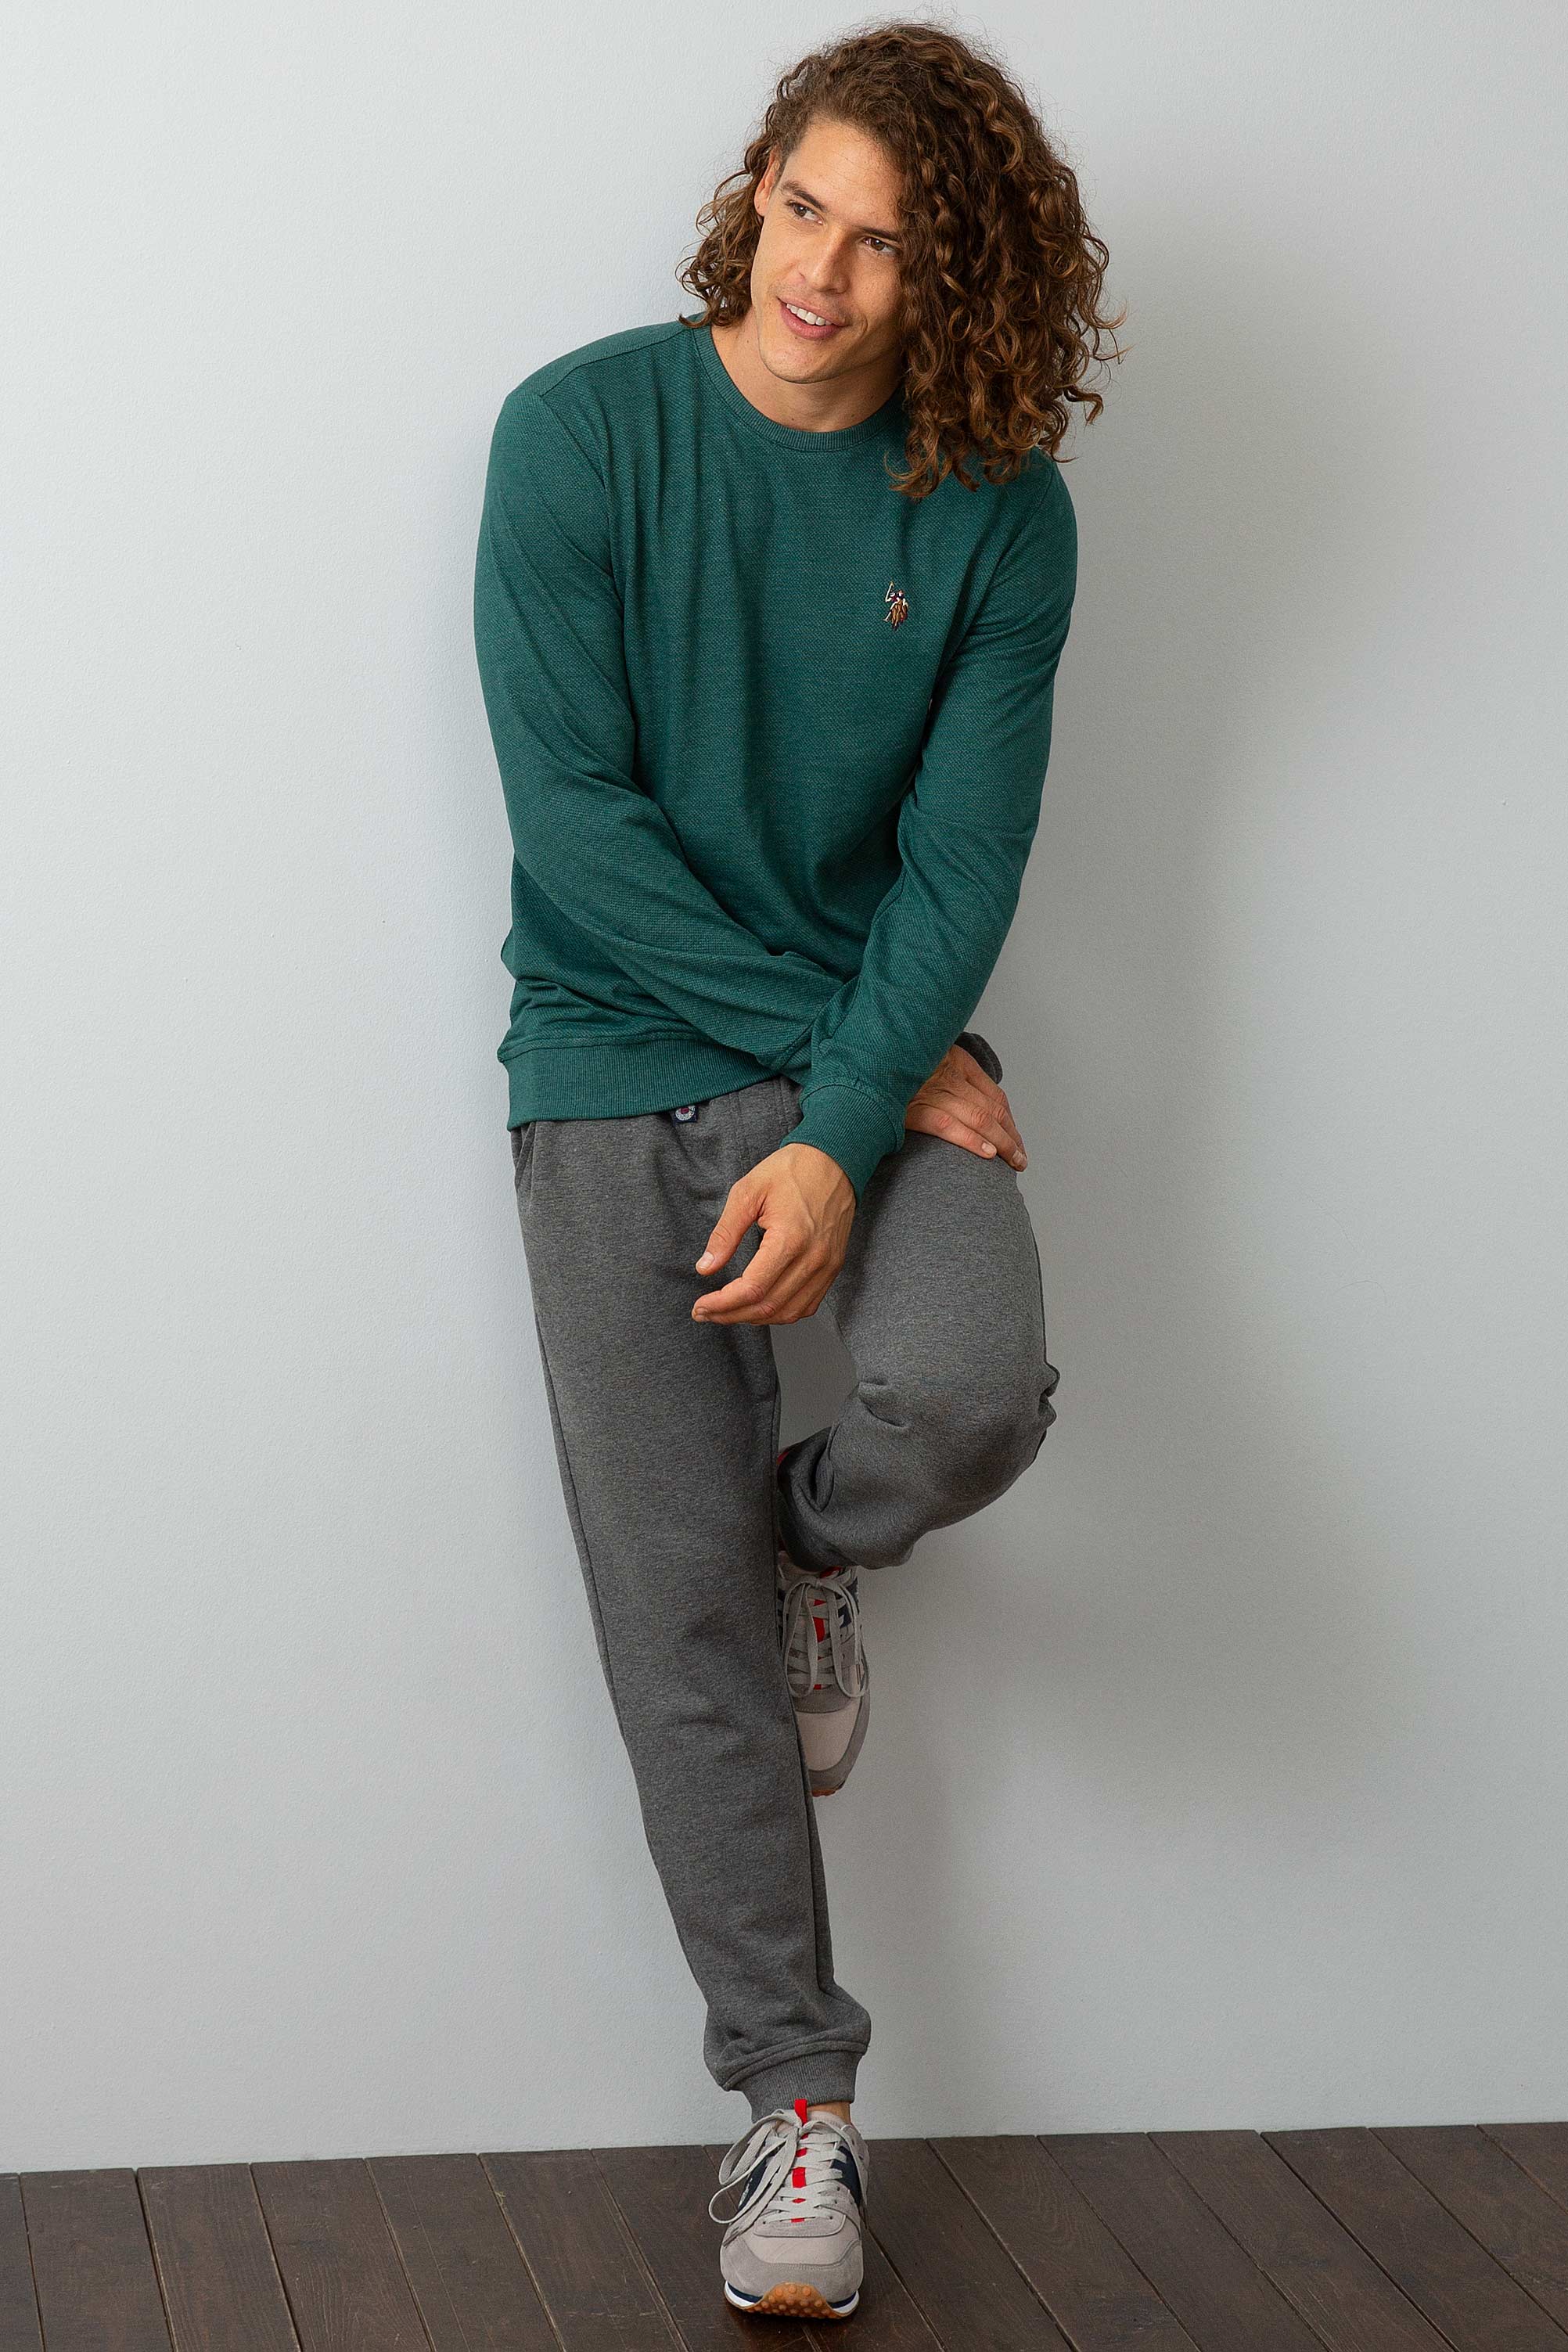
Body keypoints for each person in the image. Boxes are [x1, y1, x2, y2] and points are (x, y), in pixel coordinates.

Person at [473, 19, 1117, 2322]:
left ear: (965, 282)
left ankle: (810, 1543)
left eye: (889, 244)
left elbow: (964, 863)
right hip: (615, 1062)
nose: (821, 274)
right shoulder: (579, 435)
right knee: (672, 1626)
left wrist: (850, 1123)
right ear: (758, 188)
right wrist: (858, 1075)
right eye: (804, 207)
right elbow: (576, 830)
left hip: (872, 1059)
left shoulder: (1002, 512)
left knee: (960, 1397)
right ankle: (792, 2103)